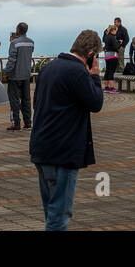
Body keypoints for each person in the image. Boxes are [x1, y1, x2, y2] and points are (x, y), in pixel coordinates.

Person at [29, 29, 104, 230]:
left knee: (51, 211)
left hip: (41, 147)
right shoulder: (77, 72)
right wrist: (95, 76)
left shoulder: (48, 68)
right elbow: (96, 103)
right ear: (91, 54)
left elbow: (38, 104)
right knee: (59, 216)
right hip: (62, 152)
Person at [3, 22, 35, 131]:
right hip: (26, 75)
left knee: (14, 100)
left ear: (17, 30)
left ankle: (16, 123)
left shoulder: (14, 43)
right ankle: (28, 122)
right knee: (26, 100)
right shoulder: (31, 42)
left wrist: (6, 73)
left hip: (15, 76)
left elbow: (12, 60)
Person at [101, 24, 121, 93]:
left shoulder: (106, 37)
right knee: (111, 72)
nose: (116, 32)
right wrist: (119, 43)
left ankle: (106, 88)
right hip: (113, 55)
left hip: (107, 55)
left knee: (107, 71)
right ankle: (112, 88)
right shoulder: (113, 37)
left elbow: (106, 44)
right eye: (116, 30)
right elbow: (116, 47)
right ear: (113, 30)